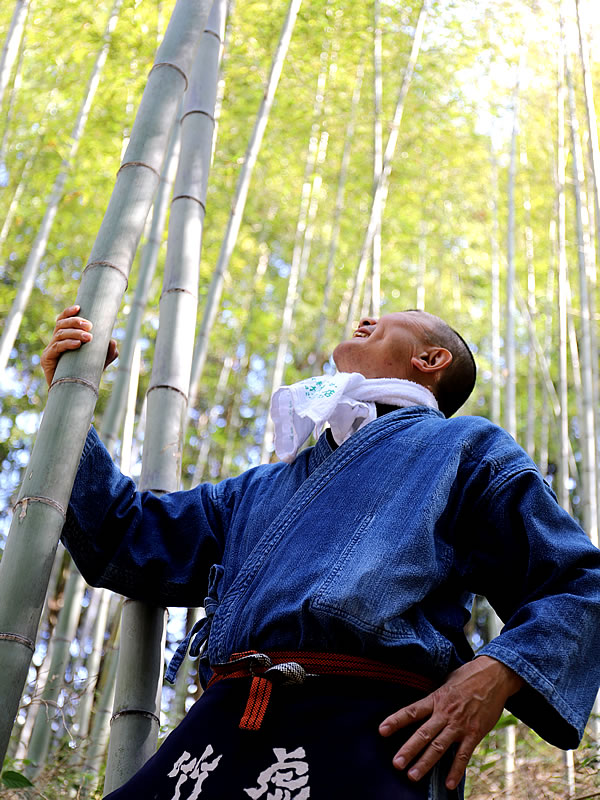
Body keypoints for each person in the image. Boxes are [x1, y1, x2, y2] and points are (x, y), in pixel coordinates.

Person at [42, 305, 600, 799]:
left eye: (388, 319)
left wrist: (496, 673)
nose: (363, 318)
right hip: (223, 729)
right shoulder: (260, 486)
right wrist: (69, 405)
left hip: (368, 731)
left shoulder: (466, 447)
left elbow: (578, 582)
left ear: (431, 360)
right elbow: (127, 536)